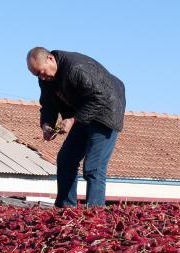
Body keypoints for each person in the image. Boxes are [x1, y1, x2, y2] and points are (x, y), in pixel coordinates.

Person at [26, 47, 126, 207]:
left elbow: (101, 96)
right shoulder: (45, 80)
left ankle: (95, 214)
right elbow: (48, 105)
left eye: (42, 72)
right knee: (66, 159)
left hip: (106, 111)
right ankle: (65, 208)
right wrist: (46, 124)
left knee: (94, 165)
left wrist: (73, 120)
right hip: (81, 114)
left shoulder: (76, 68)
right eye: (37, 75)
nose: (42, 77)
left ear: (50, 59)